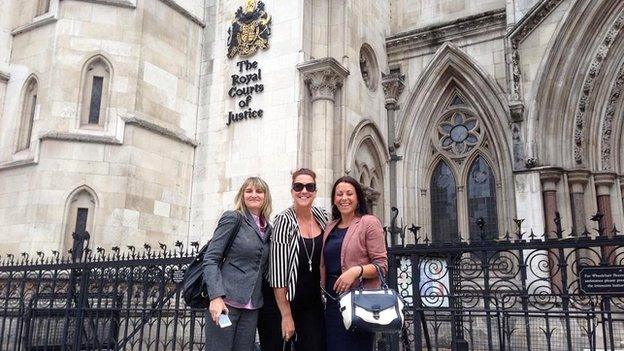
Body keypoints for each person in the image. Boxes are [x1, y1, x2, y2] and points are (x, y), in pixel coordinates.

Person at [202, 177, 273, 351]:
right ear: (242, 195)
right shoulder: (233, 218)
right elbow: (211, 258)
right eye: (249, 191)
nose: (254, 194)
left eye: (259, 191)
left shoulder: (269, 228)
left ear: (266, 197)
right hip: (226, 302)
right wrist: (215, 297)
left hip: (252, 307)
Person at [320, 176, 388, 351]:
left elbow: (381, 265)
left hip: (359, 303)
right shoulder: (330, 226)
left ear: (358, 198)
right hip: (332, 302)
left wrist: (356, 271)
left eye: (349, 193)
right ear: (334, 199)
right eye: (339, 194)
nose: (344, 198)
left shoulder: (368, 222)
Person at [266, 168, 328, 351]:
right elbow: (277, 274)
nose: (304, 191)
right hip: (288, 302)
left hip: (314, 302)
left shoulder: (322, 217)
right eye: (298, 186)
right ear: (292, 190)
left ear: (315, 191)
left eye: (310, 186)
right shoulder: (284, 221)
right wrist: (286, 315)